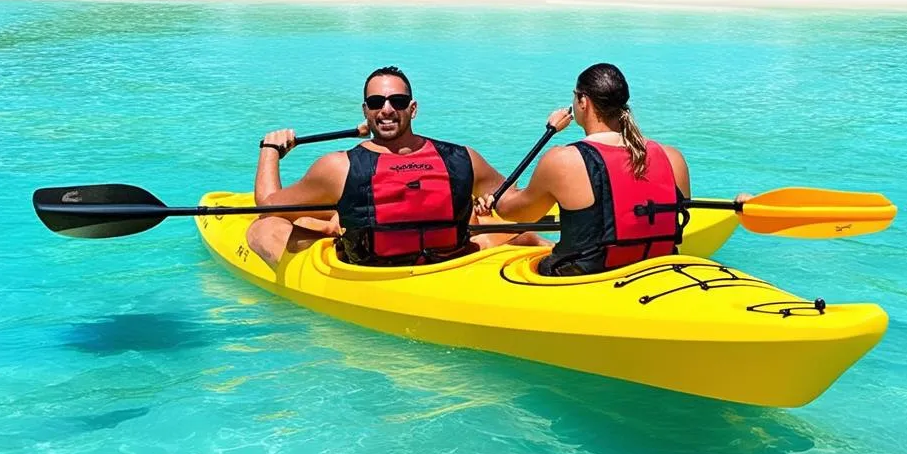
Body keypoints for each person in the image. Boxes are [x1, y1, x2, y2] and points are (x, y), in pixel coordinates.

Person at [247, 66, 539, 267]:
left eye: (396, 101)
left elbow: (266, 206)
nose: (386, 108)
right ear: (366, 110)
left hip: (376, 272)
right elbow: (517, 203)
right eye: (377, 102)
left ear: (412, 108)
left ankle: (332, 230)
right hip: (449, 261)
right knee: (502, 228)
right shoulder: (463, 158)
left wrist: (269, 150)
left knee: (263, 227)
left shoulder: (338, 167)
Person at [475, 62, 692, 276]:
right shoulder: (672, 157)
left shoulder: (564, 161)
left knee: (501, 236)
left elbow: (520, 214)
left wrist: (494, 201)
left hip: (585, 276)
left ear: (583, 102)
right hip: (656, 268)